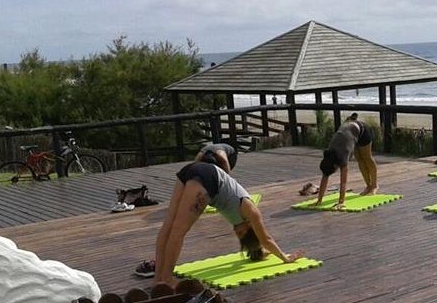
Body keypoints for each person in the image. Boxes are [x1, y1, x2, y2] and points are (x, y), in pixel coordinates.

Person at [151, 161, 303, 285]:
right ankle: (166, 277)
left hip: (192, 170)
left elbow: (261, 244)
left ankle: (159, 278)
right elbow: (266, 239)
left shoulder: (242, 219)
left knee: (170, 225)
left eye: (239, 236)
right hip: (207, 178)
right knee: (178, 230)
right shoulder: (251, 211)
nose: (236, 231)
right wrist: (285, 257)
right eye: (242, 232)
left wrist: (261, 252)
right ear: (250, 225)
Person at [313, 114, 376, 210]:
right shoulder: (328, 157)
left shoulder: (343, 158)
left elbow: (343, 183)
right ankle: (368, 186)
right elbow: (325, 177)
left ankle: (374, 186)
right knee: (360, 160)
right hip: (349, 135)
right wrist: (319, 200)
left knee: (367, 158)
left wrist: (341, 202)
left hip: (362, 131)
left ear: (335, 165)